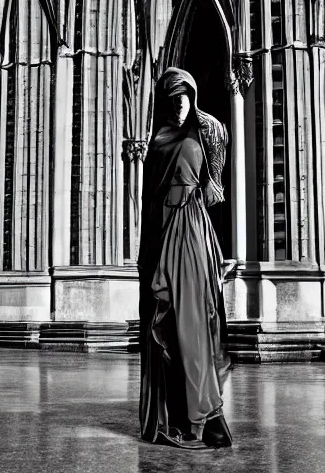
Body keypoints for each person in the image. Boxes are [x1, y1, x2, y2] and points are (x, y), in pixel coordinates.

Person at [138, 67, 232, 449]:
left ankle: (207, 417)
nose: (179, 106)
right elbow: (149, 201)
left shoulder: (206, 133)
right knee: (173, 330)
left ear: (193, 98)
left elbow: (214, 192)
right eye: (172, 99)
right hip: (165, 236)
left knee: (195, 327)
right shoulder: (157, 141)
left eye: (184, 98)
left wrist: (206, 185)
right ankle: (179, 417)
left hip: (193, 233)